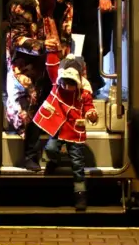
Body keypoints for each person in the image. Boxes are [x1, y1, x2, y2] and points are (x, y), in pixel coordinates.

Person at [5, 0, 73, 171]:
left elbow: (66, 23)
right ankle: (30, 155)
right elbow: (16, 39)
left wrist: (64, 44)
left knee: (58, 100)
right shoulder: (21, 3)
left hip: (54, 58)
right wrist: (42, 46)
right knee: (35, 105)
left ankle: (54, 152)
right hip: (27, 64)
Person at [33, 53, 98, 210]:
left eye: (71, 84)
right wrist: (52, 50)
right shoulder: (57, 87)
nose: (67, 87)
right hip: (58, 127)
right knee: (50, 148)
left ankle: (80, 194)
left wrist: (91, 114)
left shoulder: (84, 94)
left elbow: (89, 108)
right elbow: (52, 65)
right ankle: (54, 160)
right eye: (64, 83)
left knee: (77, 164)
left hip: (75, 131)